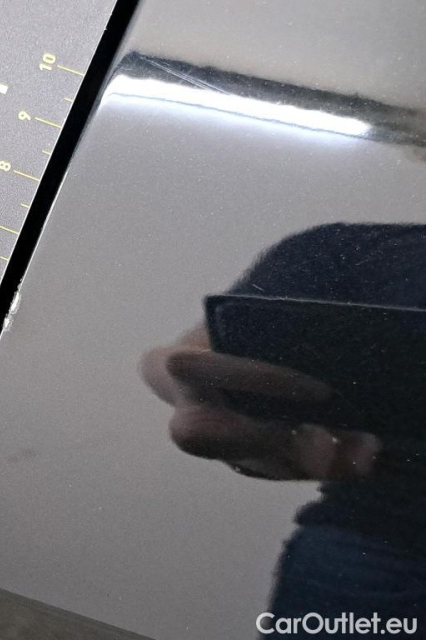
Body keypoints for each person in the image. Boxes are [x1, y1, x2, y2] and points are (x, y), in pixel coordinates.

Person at [140, 223, 426, 638]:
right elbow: (195, 357)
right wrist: (177, 379)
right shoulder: (348, 250)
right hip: (377, 556)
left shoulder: (356, 249)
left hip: (374, 556)